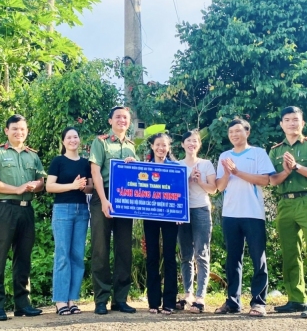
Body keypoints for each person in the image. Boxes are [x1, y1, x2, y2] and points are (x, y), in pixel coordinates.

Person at [0, 114, 46, 321]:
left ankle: (22, 304)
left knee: (24, 257)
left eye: (23, 129)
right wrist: (15, 189)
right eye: (15, 129)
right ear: (6, 131)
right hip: (4, 209)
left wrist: (36, 185)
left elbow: (41, 181)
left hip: (26, 210)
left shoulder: (32, 156)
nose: (19, 132)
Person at [268, 106, 307, 319]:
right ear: (281, 124)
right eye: (287, 119)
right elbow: (273, 181)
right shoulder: (275, 150)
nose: (292, 123)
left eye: (296, 119)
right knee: (290, 253)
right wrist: (285, 171)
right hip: (285, 204)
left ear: (303, 123)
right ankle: (296, 298)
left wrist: (296, 167)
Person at [213, 119, 275, 317]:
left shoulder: (258, 153)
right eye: (231, 131)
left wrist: (237, 172)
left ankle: (258, 302)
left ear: (247, 132)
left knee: (258, 258)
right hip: (230, 214)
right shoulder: (224, 156)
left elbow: (265, 180)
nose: (234, 134)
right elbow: (220, 187)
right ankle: (233, 301)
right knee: (233, 259)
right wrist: (227, 172)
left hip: (253, 213)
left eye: (238, 131)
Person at [89, 106, 138, 315]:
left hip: (125, 200)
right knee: (100, 250)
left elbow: (135, 176)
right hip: (104, 197)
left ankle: (120, 299)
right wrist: (104, 200)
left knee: (124, 250)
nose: (122, 120)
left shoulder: (131, 146)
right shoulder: (100, 142)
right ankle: (101, 300)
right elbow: (95, 172)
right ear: (110, 121)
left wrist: (134, 165)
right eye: (117, 117)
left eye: (125, 118)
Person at [46, 127, 94, 316]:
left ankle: (72, 300)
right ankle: (60, 301)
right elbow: (50, 186)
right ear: (63, 141)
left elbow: (90, 187)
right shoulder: (58, 161)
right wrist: (72, 185)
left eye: (75, 136)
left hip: (82, 211)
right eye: (69, 137)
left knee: (77, 256)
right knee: (62, 255)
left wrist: (83, 187)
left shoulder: (85, 163)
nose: (73, 140)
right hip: (62, 211)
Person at [176, 130, 217, 313]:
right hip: (182, 212)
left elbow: (213, 189)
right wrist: (187, 178)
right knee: (185, 255)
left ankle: (200, 297)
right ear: (183, 144)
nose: (191, 144)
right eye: (188, 141)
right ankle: (188, 294)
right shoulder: (178, 165)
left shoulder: (206, 164)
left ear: (198, 144)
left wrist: (199, 181)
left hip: (201, 209)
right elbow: (174, 191)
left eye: (195, 141)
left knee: (201, 253)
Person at [144, 133, 179, 315]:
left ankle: (170, 302)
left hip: (170, 217)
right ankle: (153, 302)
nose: (161, 148)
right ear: (152, 146)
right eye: (158, 145)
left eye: (164, 145)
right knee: (152, 257)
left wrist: (181, 212)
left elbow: (182, 192)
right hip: (149, 216)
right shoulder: (143, 167)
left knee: (170, 257)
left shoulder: (176, 168)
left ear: (168, 147)